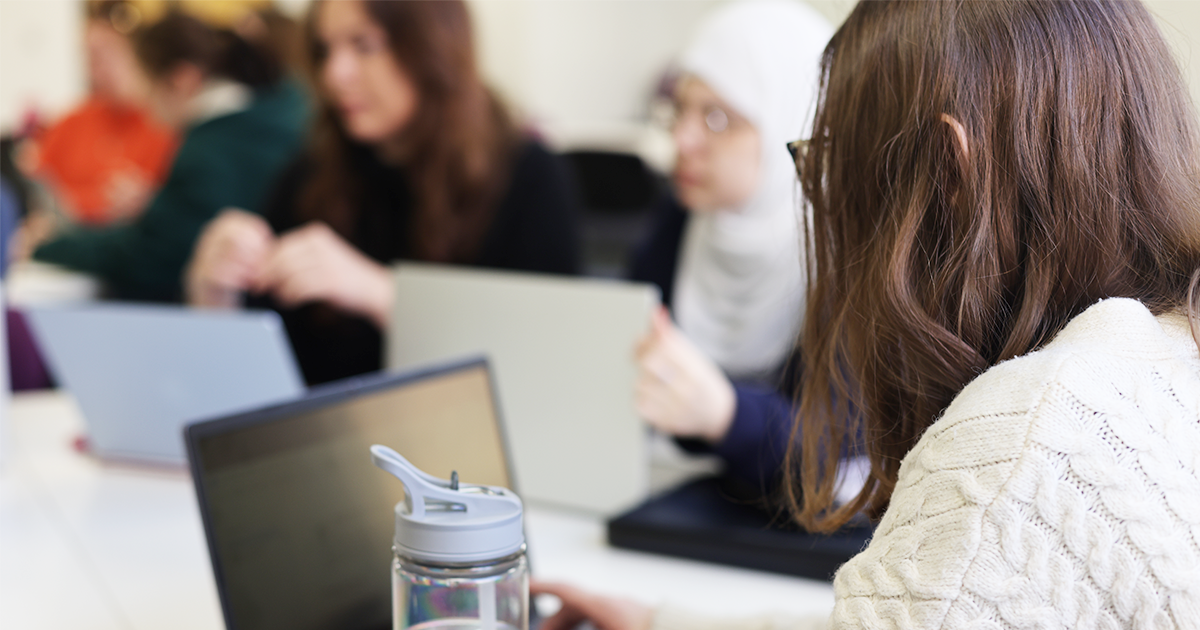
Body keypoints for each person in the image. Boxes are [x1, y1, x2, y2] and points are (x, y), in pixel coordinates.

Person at [538, 1, 1200, 628]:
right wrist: (660, 622)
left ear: (947, 171)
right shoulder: (1161, 351)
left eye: (834, 164)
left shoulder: (1022, 435)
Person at [185, 0, 582, 386]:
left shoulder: (527, 175)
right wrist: (218, 297)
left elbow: (547, 361)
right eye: (325, 50)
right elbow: (263, 373)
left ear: (432, 46)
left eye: (364, 45)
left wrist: (380, 294)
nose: (335, 74)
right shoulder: (312, 171)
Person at [631, 1, 833, 493]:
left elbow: (838, 452)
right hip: (677, 496)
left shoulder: (848, 250)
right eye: (679, 110)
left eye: (717, 118)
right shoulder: (683, 218)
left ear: (793, 119)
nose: (683, 139)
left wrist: (724, 414)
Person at [29, 11, 309, 302]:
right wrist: (158, 207)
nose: (146, 106)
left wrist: (49, 245)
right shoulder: (275, 108)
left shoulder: (208, 150)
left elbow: (150, 257)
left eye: (148, 88)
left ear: (181, 80)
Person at [25, 0, 177, 226]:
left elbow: (176, 202)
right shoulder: (71, 122)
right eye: (90, 56)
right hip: (68, 236)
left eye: (107, 53)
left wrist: (150, 202)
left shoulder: (165, 124)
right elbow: (34, 188)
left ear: (137, 53)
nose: (96, 68)